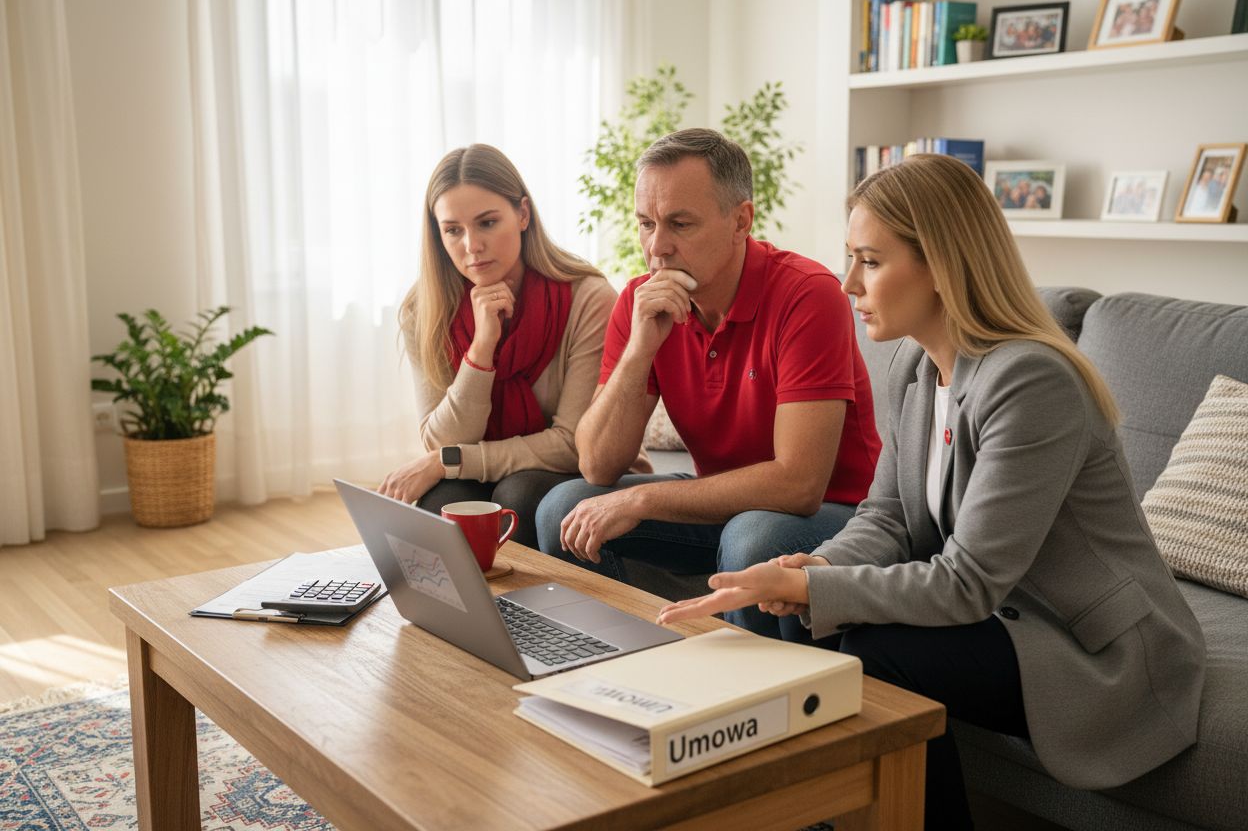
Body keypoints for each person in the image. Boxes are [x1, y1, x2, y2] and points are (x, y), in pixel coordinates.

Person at [657, 154, 1205, 829]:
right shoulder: (919, 369)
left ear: (943, 265)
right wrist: (815, 569)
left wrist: (812, 589)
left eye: (871, 261)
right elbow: (886, 517)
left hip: (1093, 650)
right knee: (791, 614)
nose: (849, 282)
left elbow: (969, 582)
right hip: (1007, 614)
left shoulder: (1032, 383)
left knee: (878, 651)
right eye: (850, 258)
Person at [536, 128, 881, 638]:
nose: (658, 247)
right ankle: (624, 664)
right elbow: (597, 463)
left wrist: (642, 501)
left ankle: (744, 699)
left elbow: (799, 484)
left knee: (753, 536)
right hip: (722, 501)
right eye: (646, 224)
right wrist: (640, 350)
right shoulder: (640, 301)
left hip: (836, 512)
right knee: (562, 508)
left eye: (680, 224)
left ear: (741, 220)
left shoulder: (808, 295)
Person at [381, 144, 645, 548]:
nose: (471, 246)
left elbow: (572, 444)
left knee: (517, 496)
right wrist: (482, 348)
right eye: (453, 230)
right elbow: (440, 438)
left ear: (523, 214)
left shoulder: (588, 299)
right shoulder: (424, 310)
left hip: (571, 477)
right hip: (493, 471)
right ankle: (461, 613)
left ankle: (527, 612)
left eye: (487, 223)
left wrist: (448, 462)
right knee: (444, 502)